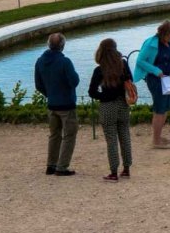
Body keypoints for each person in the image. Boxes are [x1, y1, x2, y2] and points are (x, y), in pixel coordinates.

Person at [35, 32, 80, 176]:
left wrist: (50, 94)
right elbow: (74, 81)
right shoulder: (65, 62)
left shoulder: (40, 61)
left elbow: (38, 85)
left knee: (54, 135)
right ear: (62, 46)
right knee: (69, 135)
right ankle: (62, 167)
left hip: (52, 104)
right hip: (66, 104)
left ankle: (51, 165)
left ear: (48, 45)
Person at [88, 37, 133, 181]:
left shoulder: (99, 70)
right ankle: (126, 168)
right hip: (123, 104)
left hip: (107, 106)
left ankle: (113, 171)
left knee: (111, 140)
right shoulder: (123, 65)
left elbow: (92, 92)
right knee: (125, 136)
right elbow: (130, 81)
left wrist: (104, 96)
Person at [134, 21, 170, 149]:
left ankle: (159, 136)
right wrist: (156, 71)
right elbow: (140, 61)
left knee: (165, 108)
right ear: (164, 33)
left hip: (168, 80)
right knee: (159, 109)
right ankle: (155, 141)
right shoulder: (150, 44)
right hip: (155, 80)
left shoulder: (169, 43)